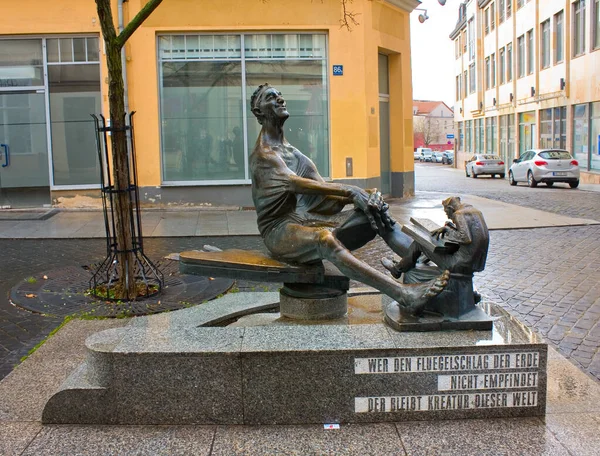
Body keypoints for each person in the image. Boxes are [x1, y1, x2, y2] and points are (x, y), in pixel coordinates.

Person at [249, 83, 449, 316]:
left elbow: (325, 197)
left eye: (280, 95)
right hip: (278, 233)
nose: (280, 99)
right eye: (271, 97)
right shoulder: (264, 154)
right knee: (325, 239)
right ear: (259, 112)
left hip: (300, 225)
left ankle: (419, 261)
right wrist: (352, 192)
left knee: (372, 210)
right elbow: (295, 183)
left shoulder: (293, 153)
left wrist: (365, 197)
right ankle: (405, 294)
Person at [382, 196, 489, 278]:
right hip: (475, 264)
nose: (447, 215)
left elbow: (465, 237)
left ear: (451, 208)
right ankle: (421, 260)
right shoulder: (475, 212)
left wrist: (447, 231)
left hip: (460, 264)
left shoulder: (459, 214)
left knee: (419, 243)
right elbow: (471, 236)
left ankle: (397, 270)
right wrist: (451, 227)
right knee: (435, 243)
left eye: (446, 212)